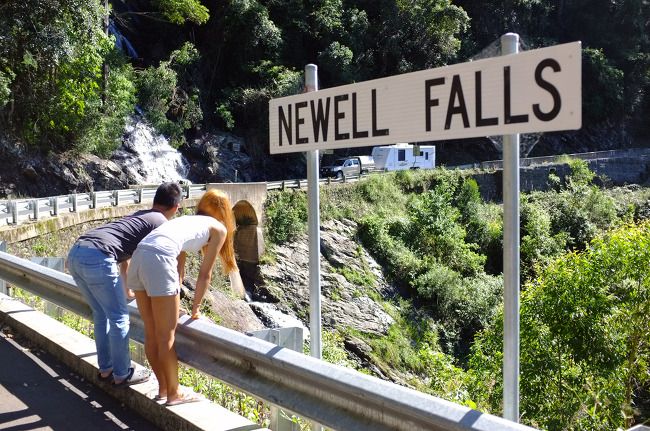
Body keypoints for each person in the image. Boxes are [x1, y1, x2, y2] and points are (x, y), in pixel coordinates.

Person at [128, 188, 240, 406]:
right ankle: (174, 394)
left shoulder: (185, 221)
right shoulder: (218, 229)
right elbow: (204, 274)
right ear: (226, 212)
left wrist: (173, 296)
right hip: (159, 258)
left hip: (140, 256)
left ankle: (163, 389)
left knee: (151, 332)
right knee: (166, 336)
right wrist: (196, 309)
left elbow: (178, 268)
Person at [67, 182, 183, 386]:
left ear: (154, 201)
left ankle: (106, 369)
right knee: (119, 317)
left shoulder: (140, 216)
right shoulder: (161, 223)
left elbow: (126, 254)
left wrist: (128, 287)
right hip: (99, 256)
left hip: (77, 253)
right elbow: (159, 263)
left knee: (101, 314)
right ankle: (122, 373)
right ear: (176, 207)